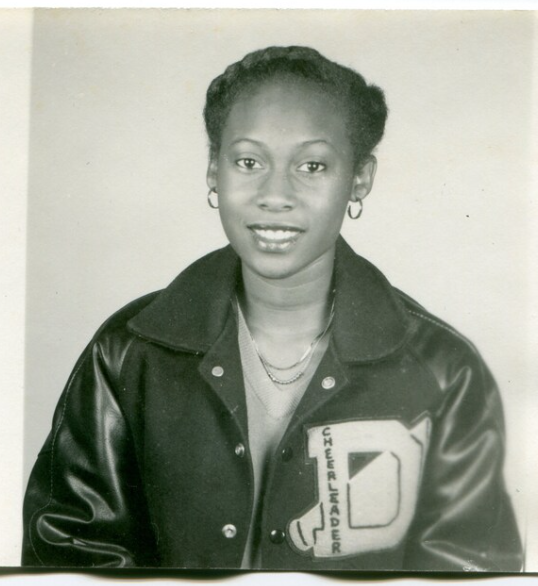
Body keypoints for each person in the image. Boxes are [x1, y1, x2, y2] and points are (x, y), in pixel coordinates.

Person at [22, 45, 523, 571]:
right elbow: (71, 555)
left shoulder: (445, 372)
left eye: (312, 165)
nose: (275, 194)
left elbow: (471, 570)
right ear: (213, 171)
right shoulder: (128, 353)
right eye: (248, 161)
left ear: (359, 178)